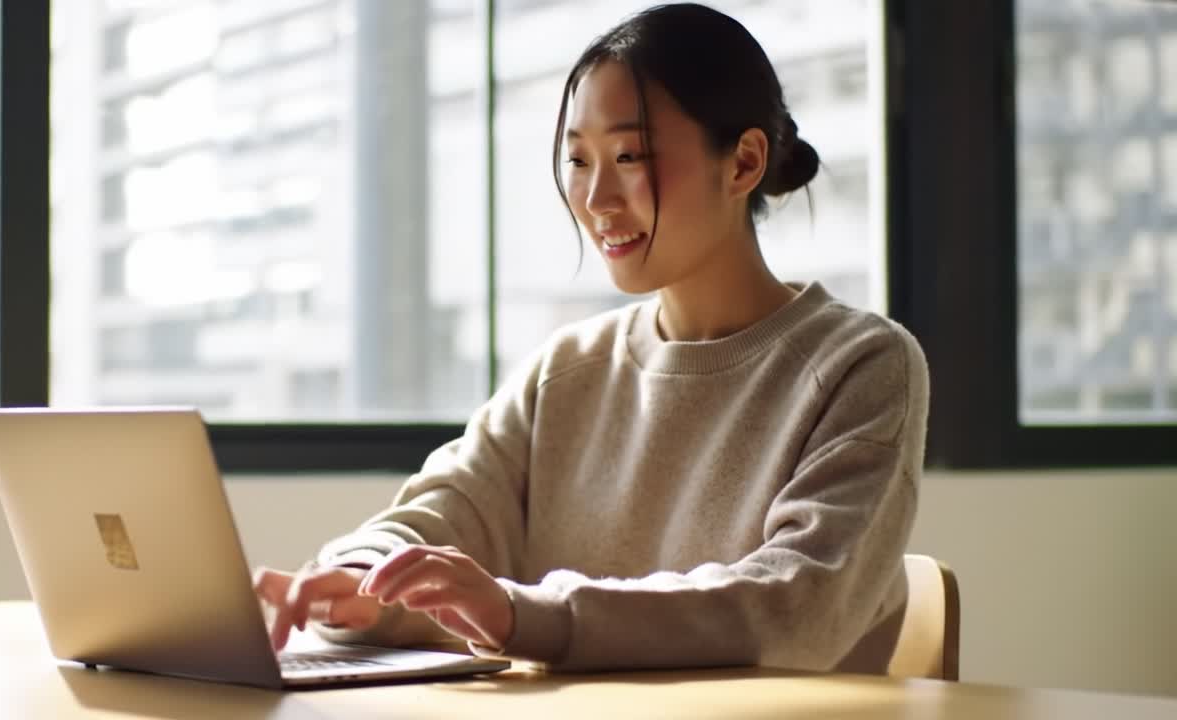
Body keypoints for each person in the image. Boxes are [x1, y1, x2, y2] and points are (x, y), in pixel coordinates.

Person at [255, 2, 929, 673]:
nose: (598, 198)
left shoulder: (861, 366)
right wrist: (361, 580)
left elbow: (797, 606)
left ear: (744, 162)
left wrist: (528, 615)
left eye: (630, 154)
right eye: (579, 159)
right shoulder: (568, 370)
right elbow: (443, 513)